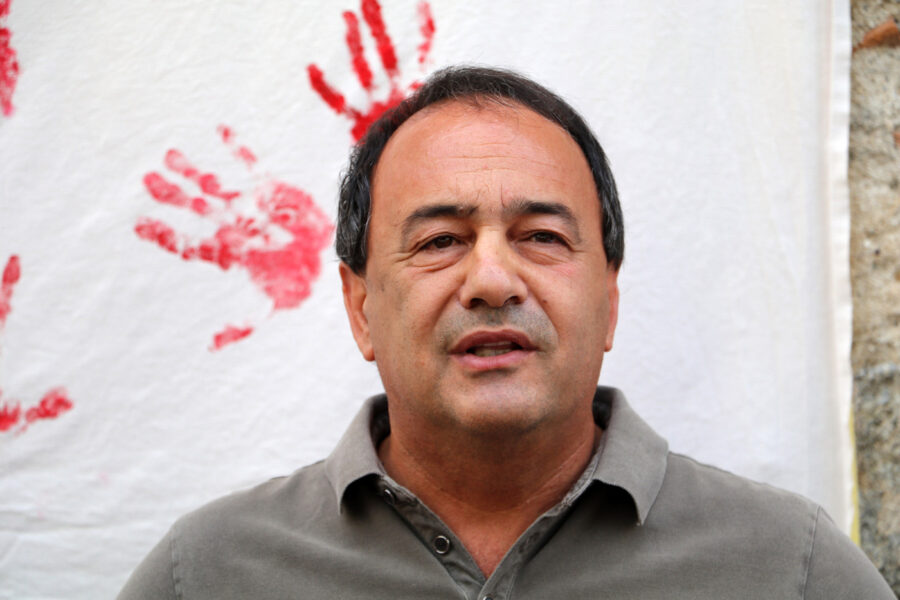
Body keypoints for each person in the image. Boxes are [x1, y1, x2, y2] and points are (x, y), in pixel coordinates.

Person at [118, 66, 894, 599]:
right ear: (360, 308)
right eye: (439, 241)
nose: (492, 281)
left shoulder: (788, 567)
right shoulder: (211, 573)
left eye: (542, 237)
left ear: (610, 298)